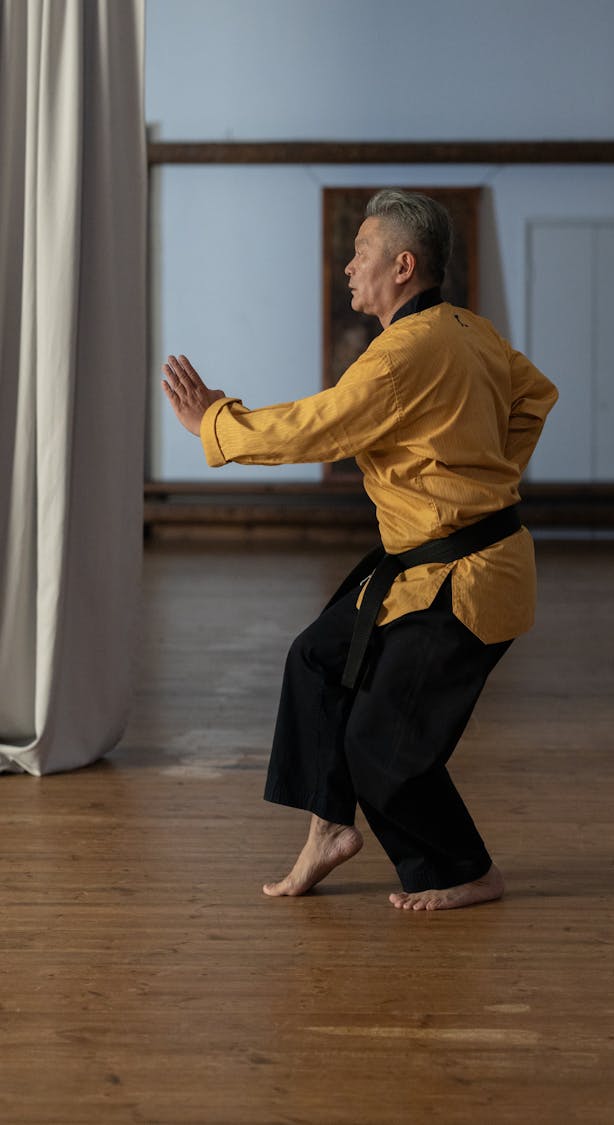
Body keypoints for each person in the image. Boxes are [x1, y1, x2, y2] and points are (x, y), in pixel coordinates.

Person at [162, 189, 558, 911]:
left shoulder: (403, 355)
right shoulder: (470, 331)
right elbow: (535, 396)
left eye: (362, 252)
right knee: (315, 659)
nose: (349, 266)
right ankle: (328, 829)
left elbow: (320, 427)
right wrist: (479, 465)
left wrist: (213, 423)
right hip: (423, 564)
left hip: (465, 579)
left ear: (403, 266)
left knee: (380, 745)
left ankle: (465, 868)